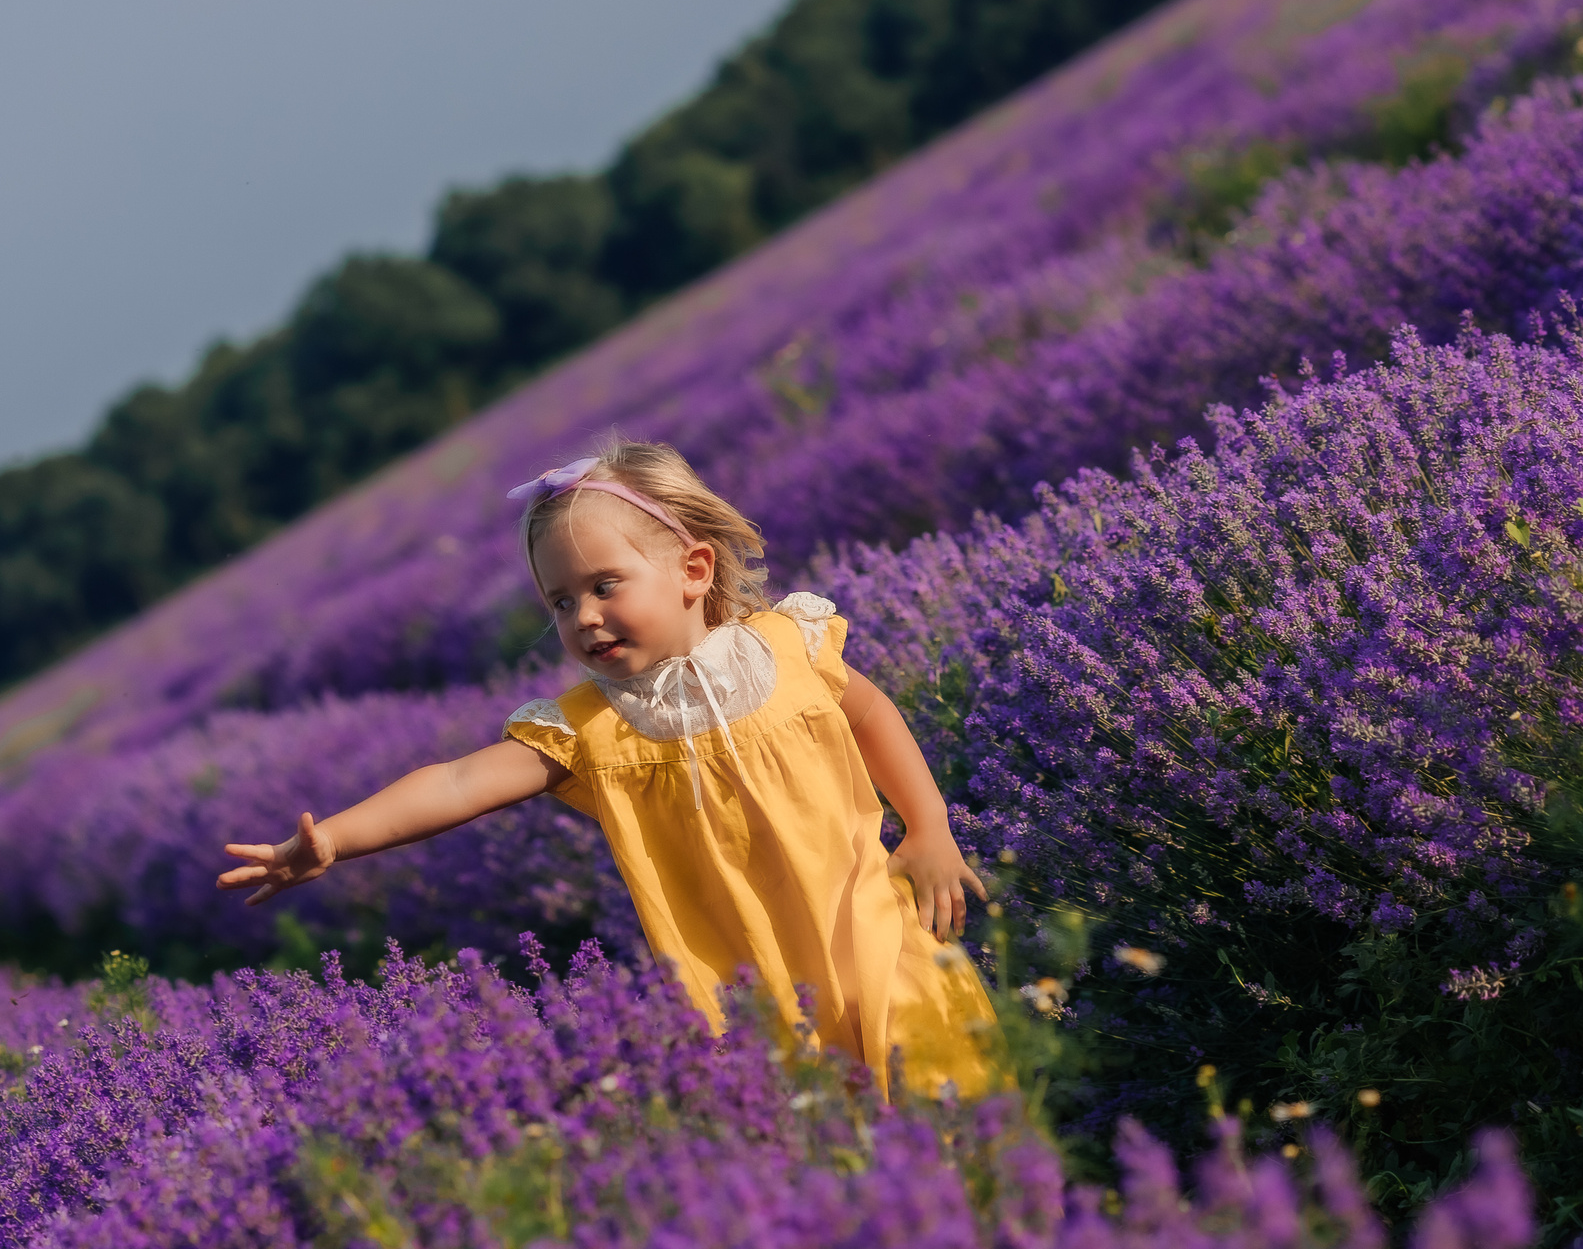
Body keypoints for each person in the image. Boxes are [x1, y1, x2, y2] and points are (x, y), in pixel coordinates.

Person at [217, 440, 1000, 1097]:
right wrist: (338, 839)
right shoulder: (590, 730)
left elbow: (870, 714)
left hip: (873, 932)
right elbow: (457, 782)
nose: (582, 616)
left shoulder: (791, 646)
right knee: (832, 1145)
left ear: (694, 570)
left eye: (604, 586)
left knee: (948, 1093)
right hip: (748, 994)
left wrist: (927, 826)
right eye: (559, 602)